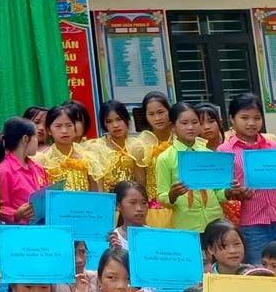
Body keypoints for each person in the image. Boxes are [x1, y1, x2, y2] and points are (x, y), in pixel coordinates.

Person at [219, 92, 276, 265]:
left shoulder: (274, 147)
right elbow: (223, 192)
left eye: (257, 118)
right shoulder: (224, 151)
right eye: (244, 117)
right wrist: (236, 193)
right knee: (259, 271)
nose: (251, 123)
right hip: (253, 223)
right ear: (232, 119)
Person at [152, 102, 222, 231]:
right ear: (173, 127)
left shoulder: (208, 154)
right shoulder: (165, 158)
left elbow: (218, 192)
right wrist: (173, 195)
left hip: (215, 221)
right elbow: (162, 197)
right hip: (186, 224)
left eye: (195, 122)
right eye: (184, 123)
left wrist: (230, 192)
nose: (190, 127)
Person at [0, 116, 45, 225]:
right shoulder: (4, 170)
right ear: (25, 139)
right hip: (18, 231)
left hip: (40, 227)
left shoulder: (38, 168)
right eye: (35, 137)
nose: (37, 142)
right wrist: (16, 214)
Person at [34, 104, 95, 192]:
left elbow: (96, 192)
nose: (64, 131)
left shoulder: (88, 157)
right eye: (58, 126)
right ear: (49, 130)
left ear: (74, 129)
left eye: (69, 125)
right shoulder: (42, 160)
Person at [94, 100, 147, 188]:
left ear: (127, 119)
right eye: (109, 121)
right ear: (104, 125)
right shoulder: (98, 147)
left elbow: (141, 182)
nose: (115, 125)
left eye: (119, 119)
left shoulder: (137, 146)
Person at [133, 91, 175, 177]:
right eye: (151, 114)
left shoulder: (180, 137)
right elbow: (140, 181)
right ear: (145, 116)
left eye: (161, 112)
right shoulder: (140, 144)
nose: (157, 118)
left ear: (169, 111)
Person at [107, 179, 149, 251]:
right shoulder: (113, 238)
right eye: (132, 203)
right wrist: (115, 253)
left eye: (144, 203)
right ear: (118, 205)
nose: (139, 208)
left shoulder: (154, 236)